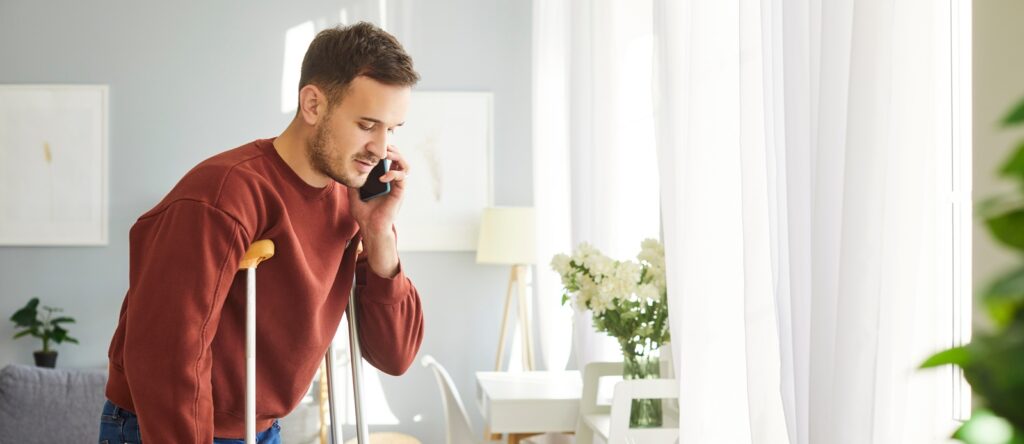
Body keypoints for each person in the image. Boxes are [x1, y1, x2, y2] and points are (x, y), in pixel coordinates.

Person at [98, 22, 424, 443]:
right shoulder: (222, 195)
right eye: (366, 125)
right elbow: (166, 359)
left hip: (261, 429)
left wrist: (379, 236)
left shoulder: (355, 200)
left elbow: (394, 355)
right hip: (169, 427)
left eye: (392, 130)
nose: (381, 149)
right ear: (313, 104)